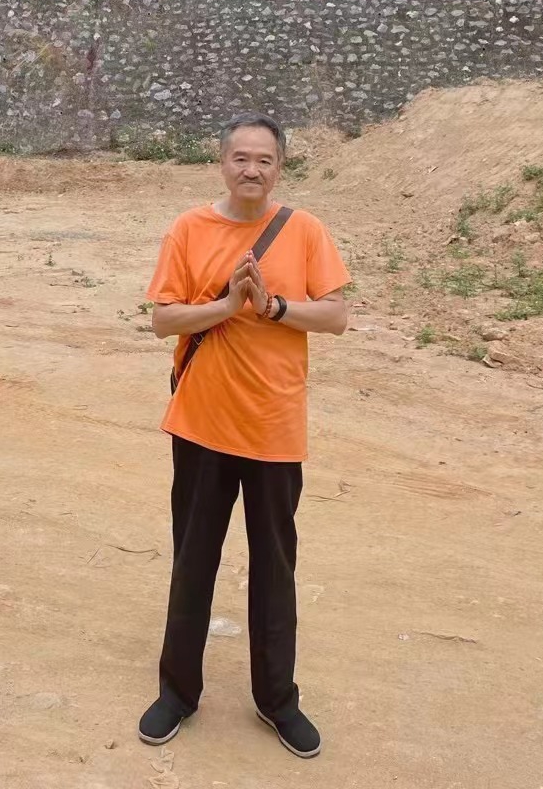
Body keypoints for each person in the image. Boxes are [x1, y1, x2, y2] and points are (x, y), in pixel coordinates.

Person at [137, 111, 350, 759]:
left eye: (264, 160)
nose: (251, 169)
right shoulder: (189, 229)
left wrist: (273, 307)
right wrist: (228, 306)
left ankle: (277, 699)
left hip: (274, 427)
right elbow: (163, 320)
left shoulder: (305, 231)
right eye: (241, 158)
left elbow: (336, 316)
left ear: (279, 167)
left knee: (275, 568)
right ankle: (178, 692)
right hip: (202, 423)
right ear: (222, 162)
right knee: (192, 561)